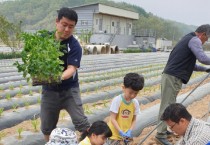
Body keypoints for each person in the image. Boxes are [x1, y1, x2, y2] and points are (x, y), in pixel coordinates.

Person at [40, 7, 90, 141]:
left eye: (71, 26)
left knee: (82, 123)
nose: (67, 29)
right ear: (57, 22)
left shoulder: (74, 46)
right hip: (49, 90)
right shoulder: (45, 40)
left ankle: (86, 143)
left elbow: (71, 69)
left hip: (69, 90)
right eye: (64, 25)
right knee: (46, 126)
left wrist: (57, 77)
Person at [155, 24, 210, 144]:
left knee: (169, 104)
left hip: (172, 76)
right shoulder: (195, 40)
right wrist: (207, 64)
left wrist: (205, 69)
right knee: (167, 105)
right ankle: (160, 134)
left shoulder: (188, 39)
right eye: (207, 38)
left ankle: (164, 130)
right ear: (203, 34)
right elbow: (203, 58)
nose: (206, 41)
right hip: (172, 77)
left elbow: (191, 65)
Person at [107, 73, 144, 143]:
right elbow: (112, 118)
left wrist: (130, 130)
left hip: (125, 135)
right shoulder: (117, 100)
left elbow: (134, 119)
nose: (133, 95)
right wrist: (120, 131)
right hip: (113, 135)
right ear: (123, 88)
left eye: (136, 93)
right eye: (130, 92)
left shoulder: (135, 103)